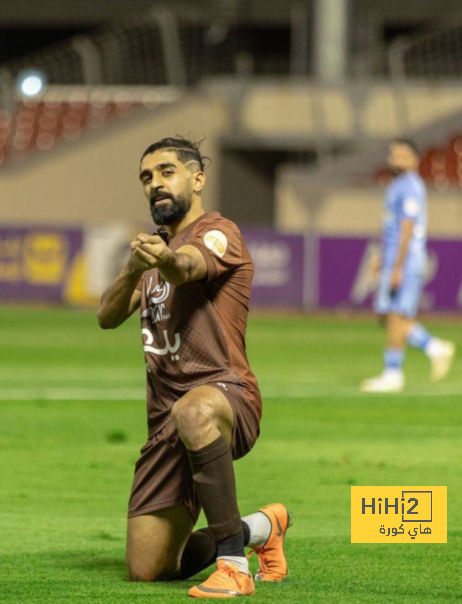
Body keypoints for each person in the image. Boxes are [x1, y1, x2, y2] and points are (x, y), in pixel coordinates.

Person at [97, 137, 292, 598]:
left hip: (225, 395)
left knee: (194, 411)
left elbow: (185, 267)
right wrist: (131, 268)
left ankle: (233, 567)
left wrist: (163, 259)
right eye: (147, 177)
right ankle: (260, 528)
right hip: (165, 419)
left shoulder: (217, 231)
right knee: (148, 568)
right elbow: (106, 316)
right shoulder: (152, 253)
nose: (155, 184)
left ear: (197, 178)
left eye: (167, 172)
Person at [361, 139, 455, 393]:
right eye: (394, 154)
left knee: (395, 316)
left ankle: (393, 374)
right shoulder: (397, 185)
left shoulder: (411, 186)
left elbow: (407, 228)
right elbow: (392, 228)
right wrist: (383, 257)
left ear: (415, 160)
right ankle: (435, 347)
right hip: (394, 258)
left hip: (407, 260)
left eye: (403, 155)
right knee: (386, 315)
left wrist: (398, 266)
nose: (397, 159)